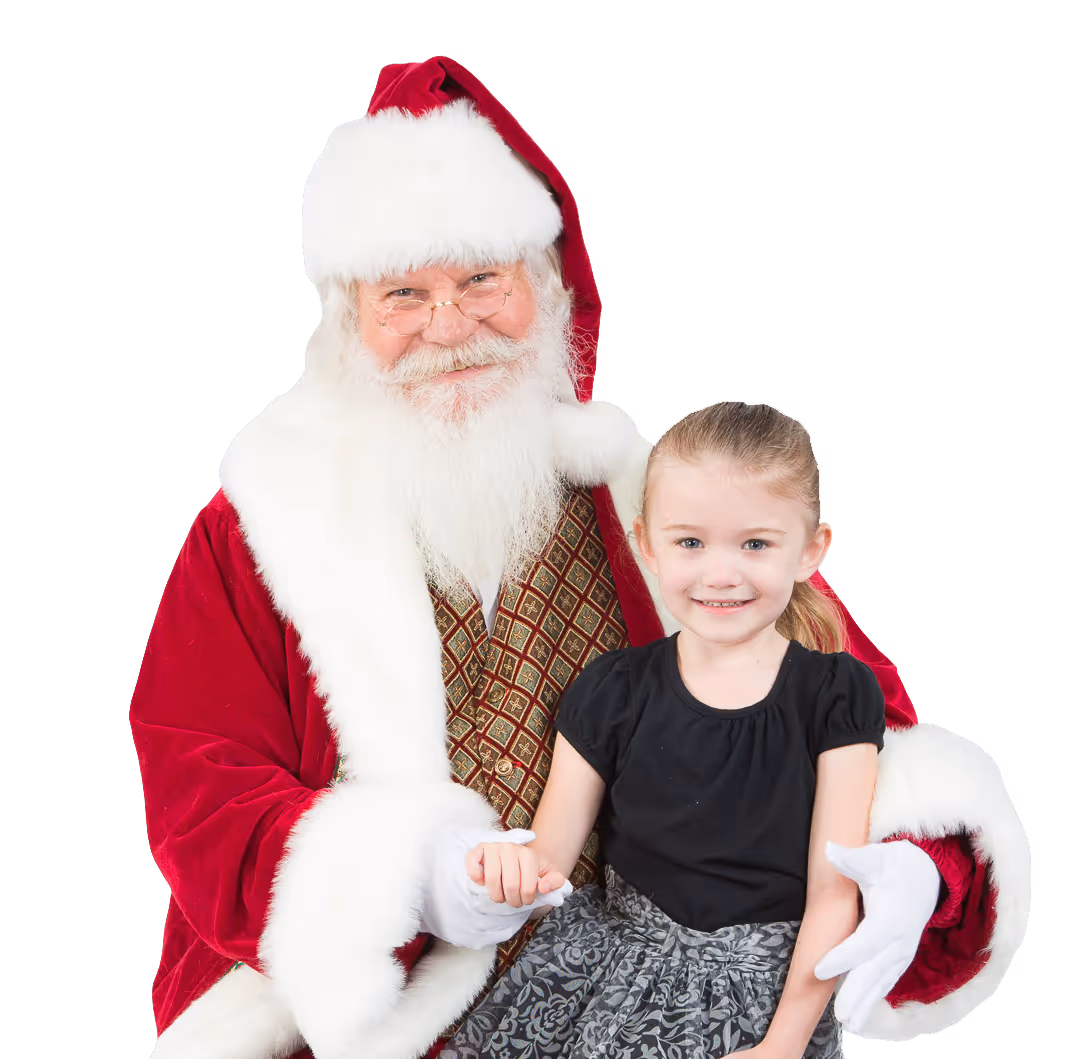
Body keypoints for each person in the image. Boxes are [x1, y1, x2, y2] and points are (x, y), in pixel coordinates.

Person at [132, 57, 1029, 1059]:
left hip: (661, 1003)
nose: (449, 326)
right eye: (404, 294)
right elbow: (199, 781)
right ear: (350, 321)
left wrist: (910, 864)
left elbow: (853, 704)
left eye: (482, 279)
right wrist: (413, 880)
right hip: (372, 1022)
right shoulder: (263, 523)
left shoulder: (656, 501)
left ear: (547, 287)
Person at [445, 401, 883, 1059]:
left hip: (766, 994)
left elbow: (833, 892)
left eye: (755, 543)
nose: (720, 573)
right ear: (647, 543)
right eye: (690, 542)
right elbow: (547, 860)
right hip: (610, 970)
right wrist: (501, 862)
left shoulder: (835, 693)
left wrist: (782, 1043)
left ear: (809, 549)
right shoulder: (611, 687)